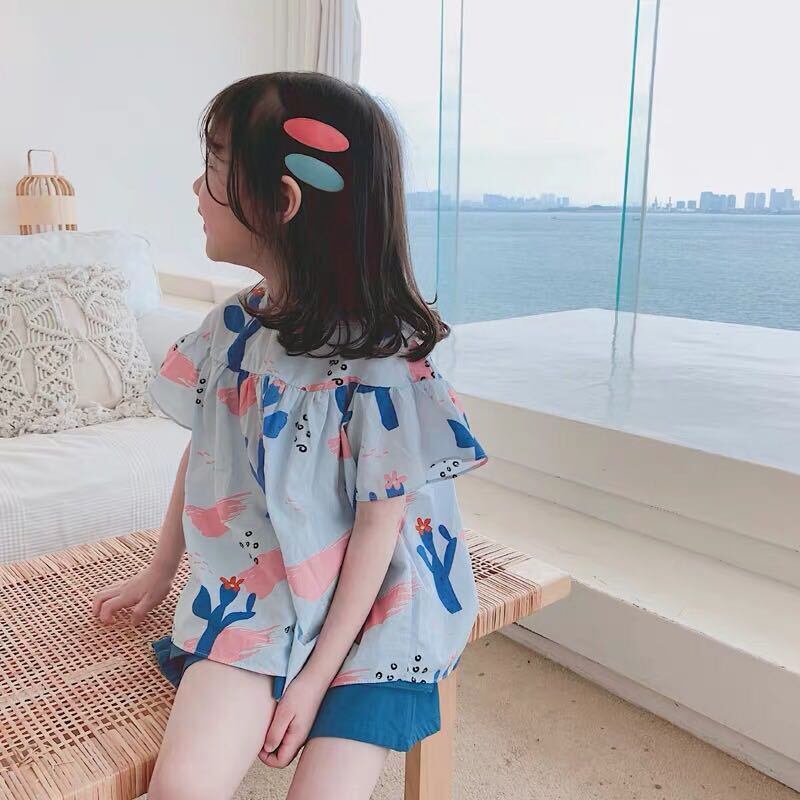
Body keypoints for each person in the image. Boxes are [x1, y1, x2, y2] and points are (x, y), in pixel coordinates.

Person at [91, 71, 488, 800]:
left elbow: (380, 529)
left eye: (215, 166)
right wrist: (161, 568)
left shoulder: (387, 365)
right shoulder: (232, 332)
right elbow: (206, 453)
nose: (196, 189)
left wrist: (312, 681)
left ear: (282, 202)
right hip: (262, 585)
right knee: (181, 789)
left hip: (378, 605)